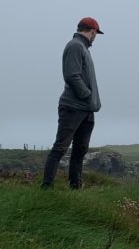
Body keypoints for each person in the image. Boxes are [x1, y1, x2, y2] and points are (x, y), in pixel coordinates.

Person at [41, 17, 104, 189]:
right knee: (60, 148)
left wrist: (91, 102)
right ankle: (47, 188)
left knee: (80, 150)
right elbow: (72, 76)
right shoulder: (75, 46)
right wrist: (87, 95)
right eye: (95, 34)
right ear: (92, 31)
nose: (95, 38)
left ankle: (75, 187)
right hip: (73, 107)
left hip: (86, 109)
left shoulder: (83, 47)